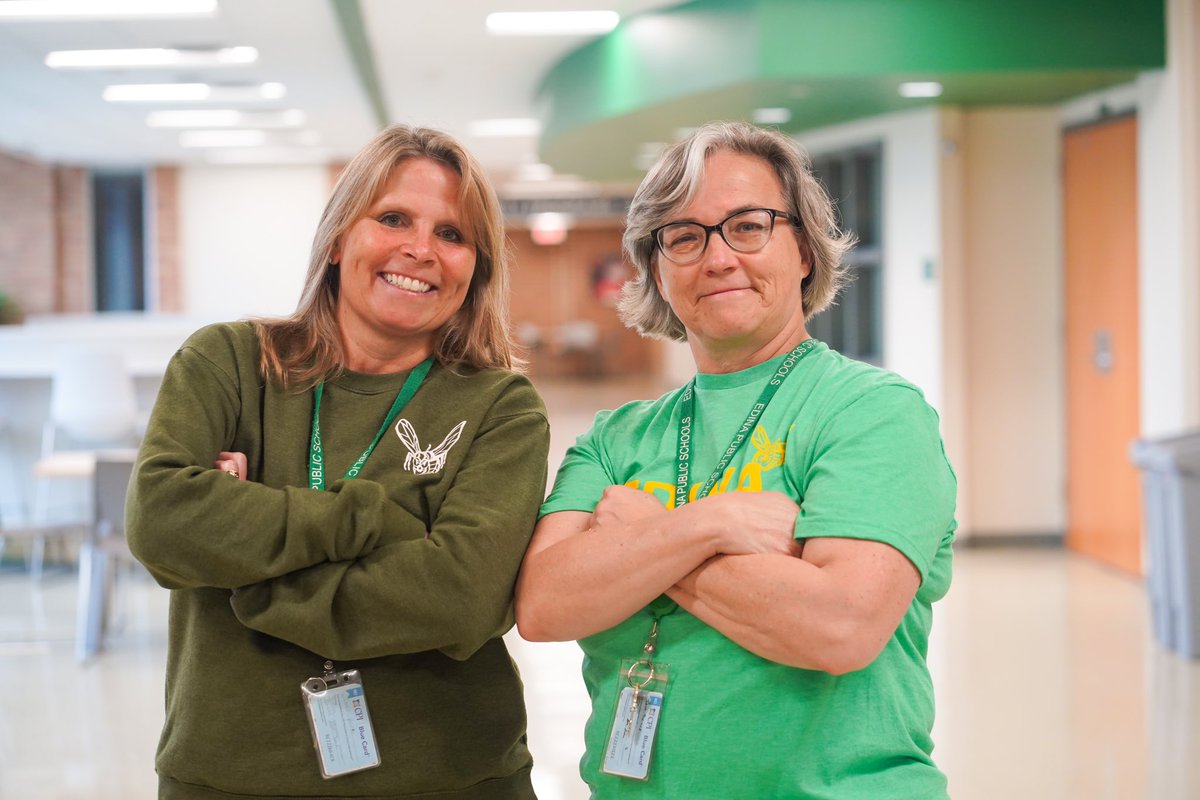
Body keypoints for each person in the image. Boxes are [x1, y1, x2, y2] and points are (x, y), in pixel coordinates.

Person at [515, 121, 957, 798]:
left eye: (747, 226)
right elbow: (544, 604)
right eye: (684, 237)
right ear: (657, 271)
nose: (717, 258)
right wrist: (707, 524)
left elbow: (839, 625)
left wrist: (639, 543)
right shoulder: (615, 438)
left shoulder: (872, 411)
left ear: (804, 250)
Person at [127, 124, 550, 800]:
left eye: (452, 234)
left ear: (478, 267)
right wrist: (372, 521)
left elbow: (460, 597)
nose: (420, 249)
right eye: (393, 218)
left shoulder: (502, 405)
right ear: (338, 236)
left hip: (447, 777)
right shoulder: (230, 364)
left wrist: (250, 573)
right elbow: (162, 523)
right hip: (233, 776)